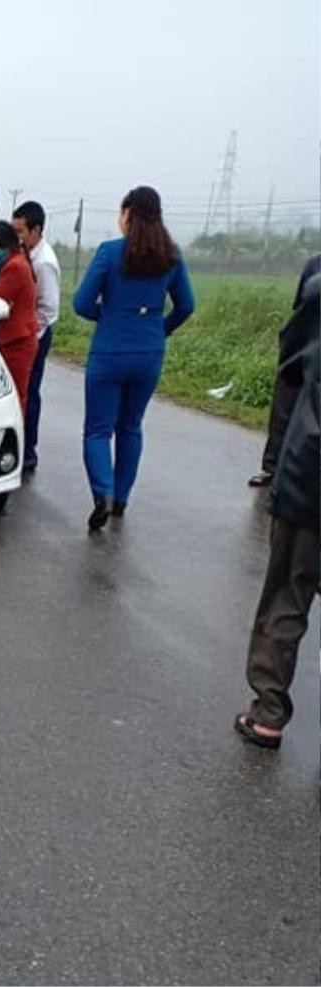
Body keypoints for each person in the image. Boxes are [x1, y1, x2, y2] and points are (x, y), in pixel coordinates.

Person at [72, 186, 195, 532]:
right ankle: (122, 498)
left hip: (109, 351)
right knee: (130, 426)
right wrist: (159, 328)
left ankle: (103, 494)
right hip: (149, 351)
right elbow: (186, 305)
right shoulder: (172, 255)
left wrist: (110, 316)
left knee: (98, 430)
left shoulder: (110, 253)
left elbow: (82, 303)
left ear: (127, 213)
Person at [234, 272, 319, 748]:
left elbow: (290, 369)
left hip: (311, 470)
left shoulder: (316, 290)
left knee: (288, 592)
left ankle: (268, 712)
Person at [248, 252, 321, 487]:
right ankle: (272, 466)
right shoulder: (315, 265)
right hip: (307, 344)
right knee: (285, 405)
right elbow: (301, 309)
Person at [12, 201, 61, 471]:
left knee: (30, 392)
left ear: (36, 230)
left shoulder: (44, 263)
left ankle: (28, 451)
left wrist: (31, 336)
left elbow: (48, 309)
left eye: (20, 231)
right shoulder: (27, 255)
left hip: (36, 336)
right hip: (28, 332)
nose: (17, 237)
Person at [0, 221, 39, 414]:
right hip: (19, 339)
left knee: (14, 397)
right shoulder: (19, 262)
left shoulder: (14, 267)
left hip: (17, 341)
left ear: (3, 246)